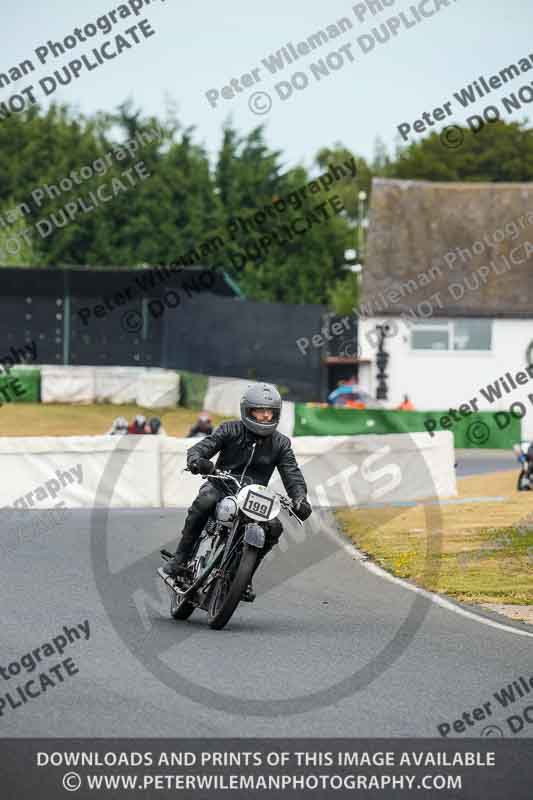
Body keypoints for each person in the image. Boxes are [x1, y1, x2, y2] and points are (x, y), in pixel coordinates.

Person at [163, 382, 312, 601]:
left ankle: (244, 576)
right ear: (248, 411)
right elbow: (203, 447)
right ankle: (181, 558)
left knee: (274, 527)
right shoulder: (229, 429)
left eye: (269, 412)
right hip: (221, 485)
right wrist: (197, 460)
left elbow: (292, 473)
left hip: (254, 496)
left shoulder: (281, 443)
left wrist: (300, 498)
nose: (264, 416)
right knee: (205, 500)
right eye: (259, 411)